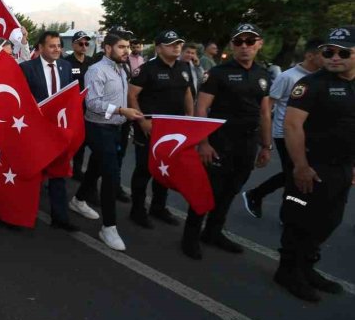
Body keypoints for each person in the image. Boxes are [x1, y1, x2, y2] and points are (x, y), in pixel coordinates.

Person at [274, 27, 354, 301]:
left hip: (342, 167)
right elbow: (293, 125)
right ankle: (287, 271)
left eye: (343, 52)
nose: (334, 57)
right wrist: (300, 166)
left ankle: (307, 267)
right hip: (311, 165)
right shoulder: (311, 84)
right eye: (328, 52)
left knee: (330, 220)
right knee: (299, 219)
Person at [183, 23, 272, 260]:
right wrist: (203, 143)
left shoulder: (263, 74)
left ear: (259, 44)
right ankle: (190, 237)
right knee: (209, 190)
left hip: (247, 143)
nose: (244, 46)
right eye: (239, 42)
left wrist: (266, 145)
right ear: (232, 46)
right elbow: (201, 107)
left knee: (231, 190)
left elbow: (264, 112)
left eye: (250, 41)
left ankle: (213, 232)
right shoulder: (219, 73)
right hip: (220, 142)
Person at [76, 33, 145, 251]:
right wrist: (120, 110)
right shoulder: (96, 70)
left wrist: (126, 115)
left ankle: (78, 199)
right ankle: (108, 227)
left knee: (96, 167)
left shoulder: (122, 68)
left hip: (118, 127)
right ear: (107, 48)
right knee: (111, 175)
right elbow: (93, 103)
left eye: (127, 46)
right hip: (98, 128)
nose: (126, 50)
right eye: (121, 47)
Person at [20, 31, 95, 230]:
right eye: (52, 46)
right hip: (36, 132)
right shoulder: (27, 68)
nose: (57, 50)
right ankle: (25, 215)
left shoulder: (65, 66)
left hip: (58, 131)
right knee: (33, 175)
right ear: (41, 47)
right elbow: (22, 100)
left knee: (58, 174)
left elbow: (69, 97)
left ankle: (60, 217)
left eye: (59, 46)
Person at [242, 38, 324, 218]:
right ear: (310, 55)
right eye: (324, 54)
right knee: (293, 174)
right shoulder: (287, 77)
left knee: (293, 174)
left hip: (306, 134)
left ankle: (258, 195)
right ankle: (284, 213)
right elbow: (267, 106)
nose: (329, 58)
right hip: (283, 132)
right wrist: (266, 140)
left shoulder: (321, 78)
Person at [127, 30, 193, 228]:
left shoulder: (184, 67)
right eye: (170, 43)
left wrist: (190, 119)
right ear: (158, 48)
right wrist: (143, 121)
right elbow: (132, 96)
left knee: (166, 170)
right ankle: (137, 210)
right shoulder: (147, 69)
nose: (176, 46)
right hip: (150, 128)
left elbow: (187, 93)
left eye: (178, 43)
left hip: (174, 130)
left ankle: (158, 206)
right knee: (144, 170)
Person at [63, 31, 93, 181]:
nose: (84, 46)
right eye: (81, 43)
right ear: (74, 45)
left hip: (88, 107)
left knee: (82, 140)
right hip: (72, 109)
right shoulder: (66, 62)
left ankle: (77, 169)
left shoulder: (91, 62)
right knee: (68, 140)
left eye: (86, 43)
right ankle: (62, 167)